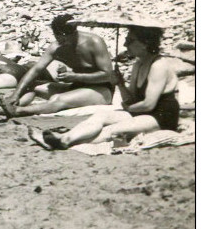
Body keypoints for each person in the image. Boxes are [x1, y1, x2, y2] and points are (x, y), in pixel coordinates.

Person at [30, 26, 181, 150]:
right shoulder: (138, 64)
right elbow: (132, 99)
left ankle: (65, 142)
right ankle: (64, 138)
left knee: (113, 130)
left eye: (129, 41)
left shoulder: (159, 66)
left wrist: (128, 108)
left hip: (160, 117)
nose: (125, 45)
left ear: (145, 43)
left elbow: (149, 104)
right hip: (141, 112)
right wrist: (120, 84)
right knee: (101, 116)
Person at [0, 14, 115, 118]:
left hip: (101, 90)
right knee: (34, 86)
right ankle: (8, 107)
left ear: (74, 32)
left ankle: (18, 111)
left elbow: (107, 75)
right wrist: (15, 94)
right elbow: (36, 70)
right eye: (57, 37)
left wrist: (75, 77)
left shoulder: (94, 42)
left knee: (58, 99)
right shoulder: (57, 46)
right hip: (77, 86)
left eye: (64, 38)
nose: (60, 41)